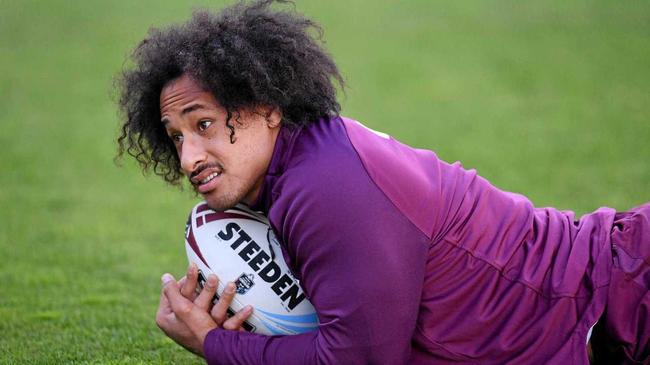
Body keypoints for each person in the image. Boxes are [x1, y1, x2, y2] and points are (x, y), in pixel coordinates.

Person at [116, 1, 649, 364]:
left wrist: (216, 344)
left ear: (265, 107)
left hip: (622, 304)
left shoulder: (324, 185)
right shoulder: (301, 165)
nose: (188, 158)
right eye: (175, 136)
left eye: (203, 124)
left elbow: (360, 358)